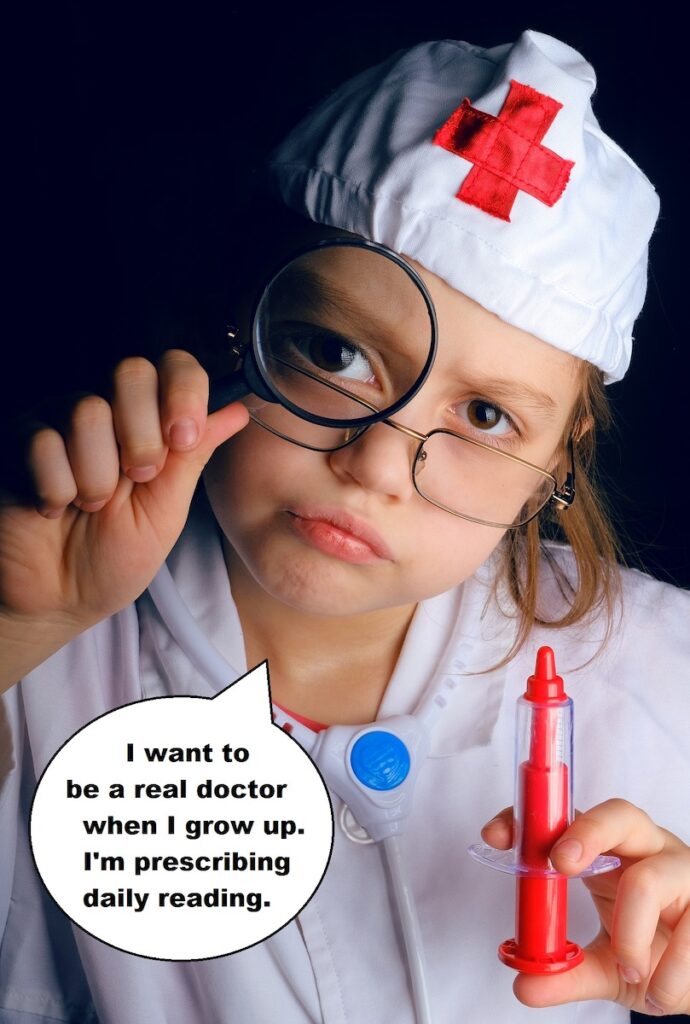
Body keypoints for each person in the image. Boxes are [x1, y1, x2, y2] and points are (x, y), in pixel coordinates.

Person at [1, 27, 689, 1024]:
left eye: (485, 417)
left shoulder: (665, 672)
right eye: (337, 351)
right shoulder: (44, 657)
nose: (372, 464)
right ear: (238, 317)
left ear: (563, 453)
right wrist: (21, 628)